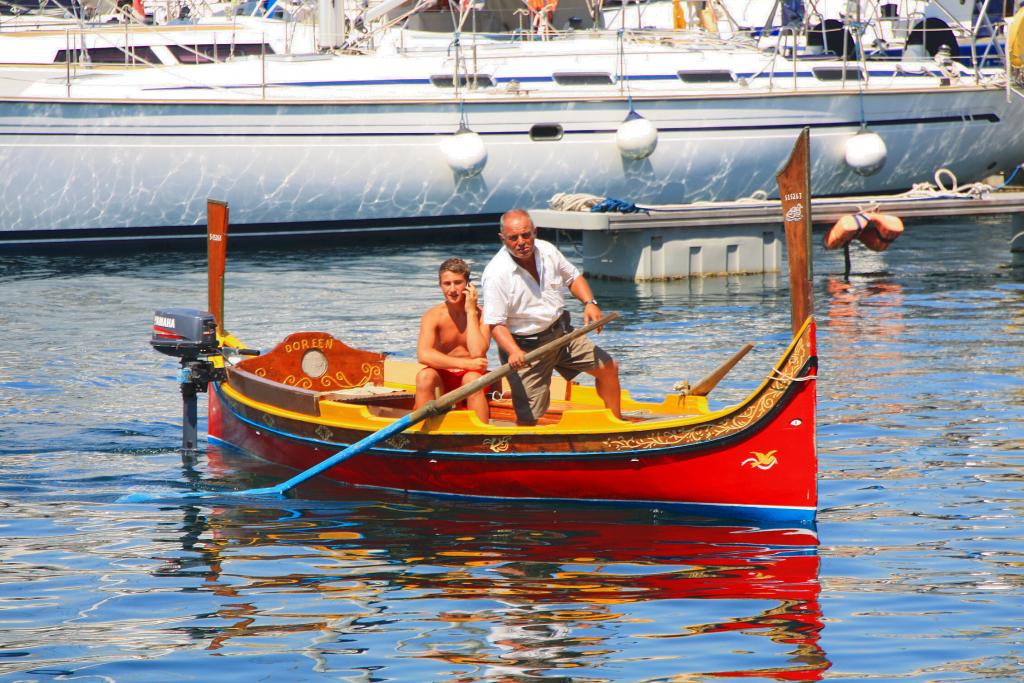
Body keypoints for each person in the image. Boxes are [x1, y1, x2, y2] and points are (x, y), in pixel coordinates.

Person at [481, 209, 621, 425]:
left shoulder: (547, 250)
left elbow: (573, 278)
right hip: (526, 349)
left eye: (526, 235)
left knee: (608, 367)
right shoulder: (496, 274)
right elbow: (496, 324)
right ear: (503, 239)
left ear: (534, 232)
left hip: (562, 334)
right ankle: (527, 441)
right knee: (530, 417)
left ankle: (616, 422)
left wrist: (589, 303)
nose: (521, 242)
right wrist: (514, 351)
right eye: (513, 238)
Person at [414, 257, 491, 423]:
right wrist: (466, 364)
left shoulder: (483, 315)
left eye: (458, 283)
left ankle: (481, 434)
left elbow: (477, 352)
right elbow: (423, 355)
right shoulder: (433, 315)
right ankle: (420, 430)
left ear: (468, 285)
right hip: (443, 376)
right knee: (424, 376)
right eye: (447, 284)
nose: (452, 289)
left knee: (472, 380)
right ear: (440, 285)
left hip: (472, 376)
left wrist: (471, 312)